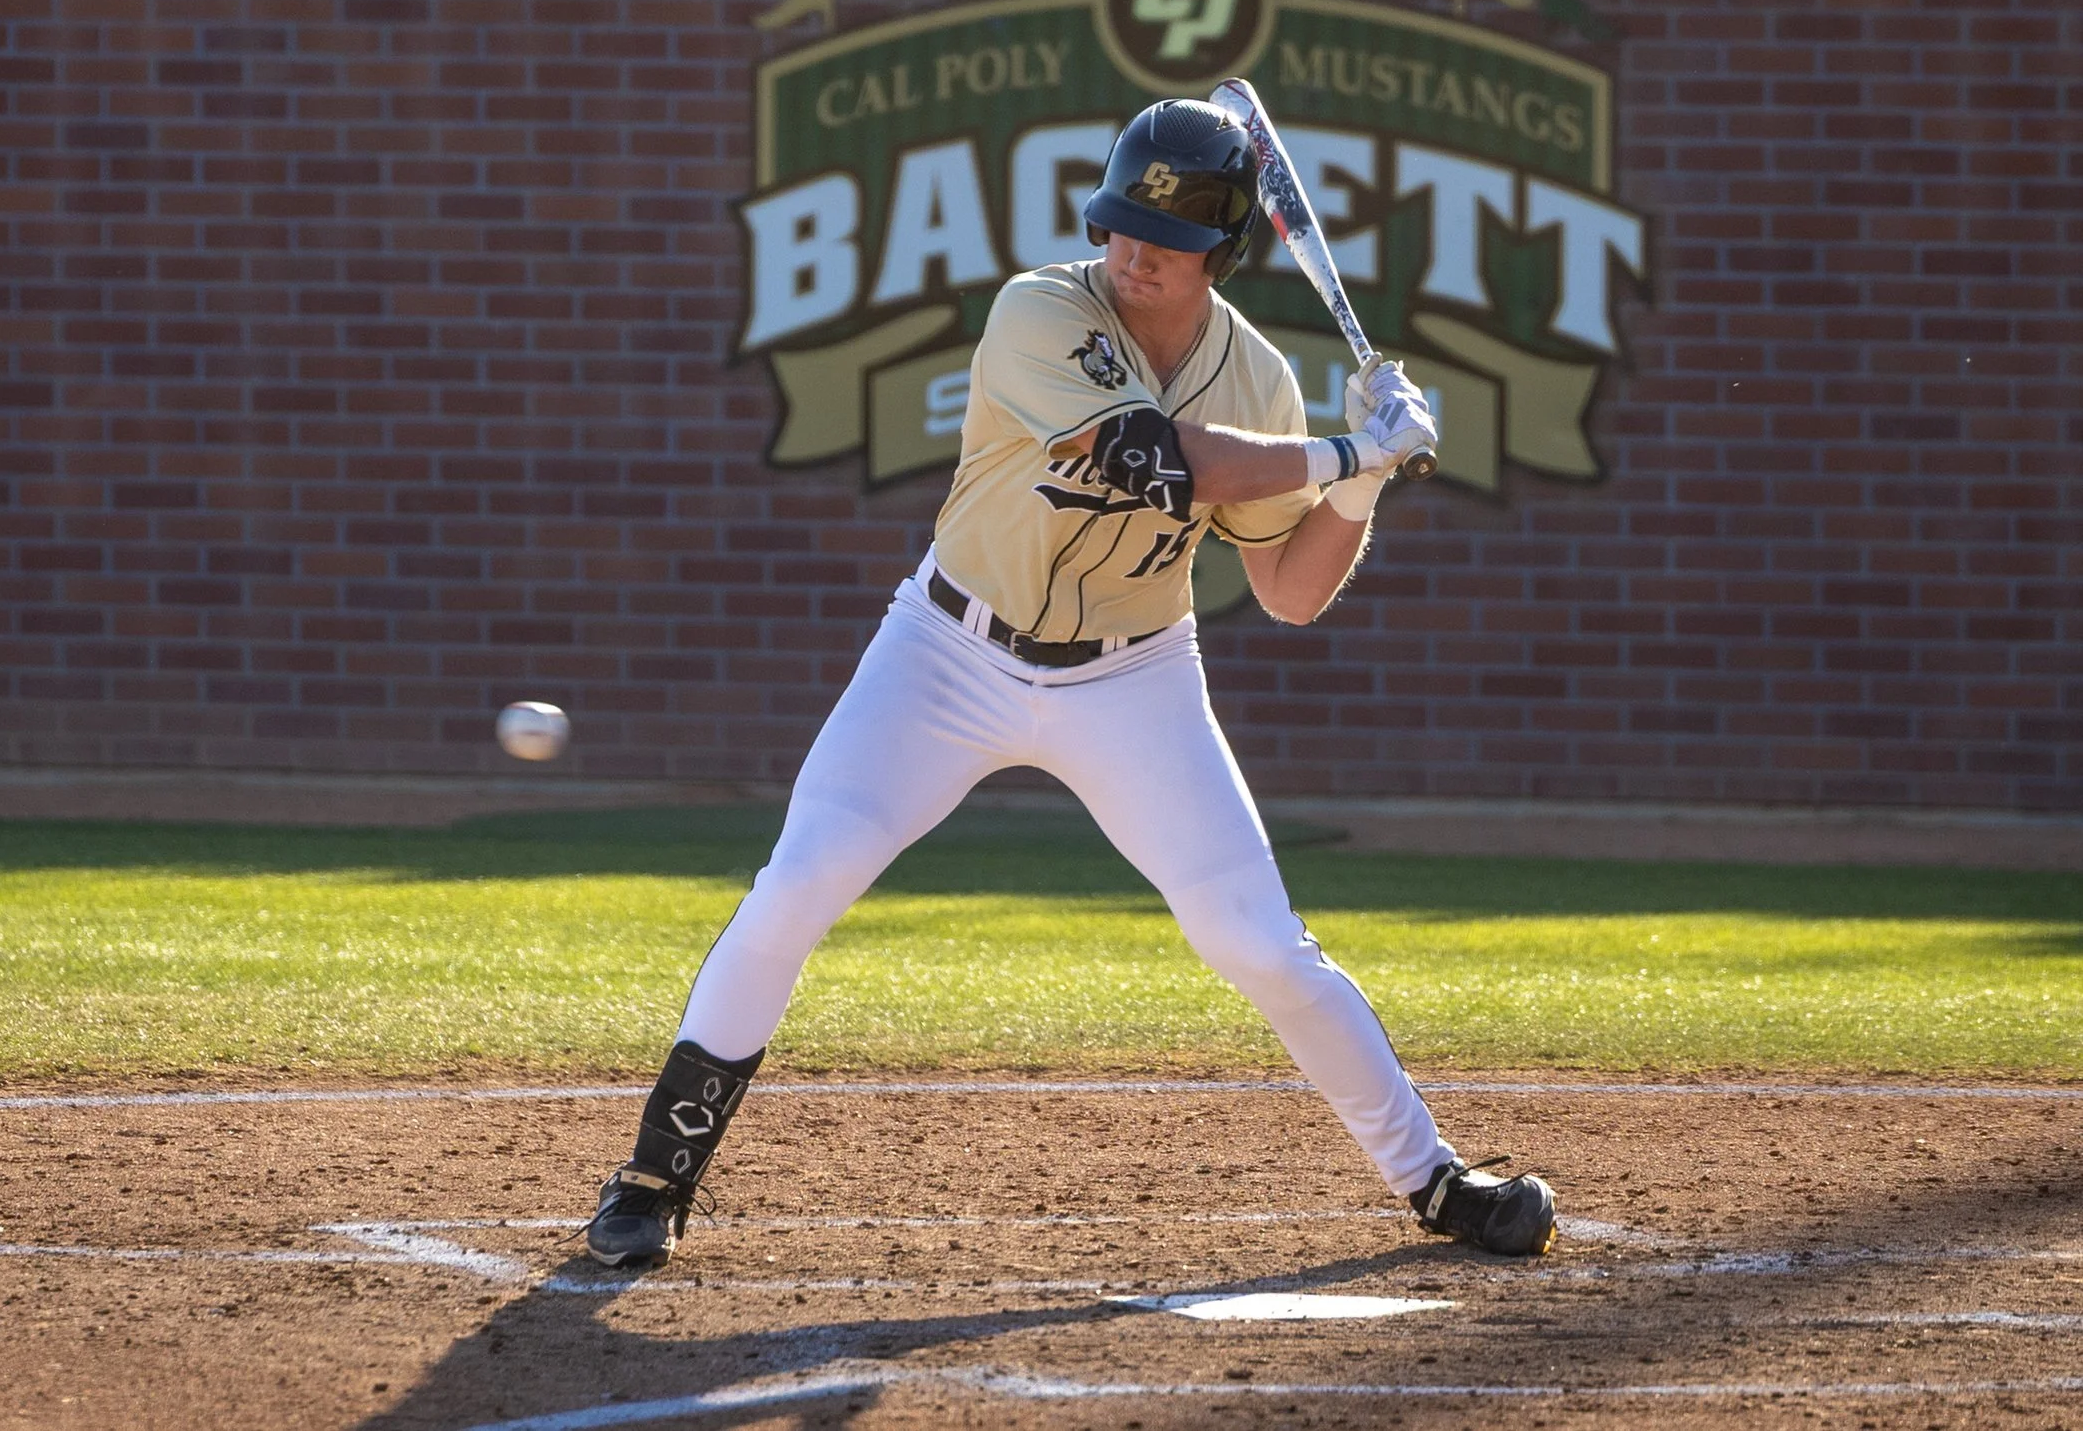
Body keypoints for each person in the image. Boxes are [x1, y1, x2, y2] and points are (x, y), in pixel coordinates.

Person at [585, 95, 1558, 1267]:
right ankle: (653, 1179)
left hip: (1133, 676)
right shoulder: (1043, 308)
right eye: (1120, 226)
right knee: (802, 879)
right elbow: (1149, 458)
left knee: (1257, 940)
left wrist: (1362, 489)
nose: (1134, 253)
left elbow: (1293, 592)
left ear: (1222, 252)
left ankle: (1439, 1183)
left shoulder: (1254, 385)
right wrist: (1350, 449)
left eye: (1170, 239)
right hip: (945, 652)